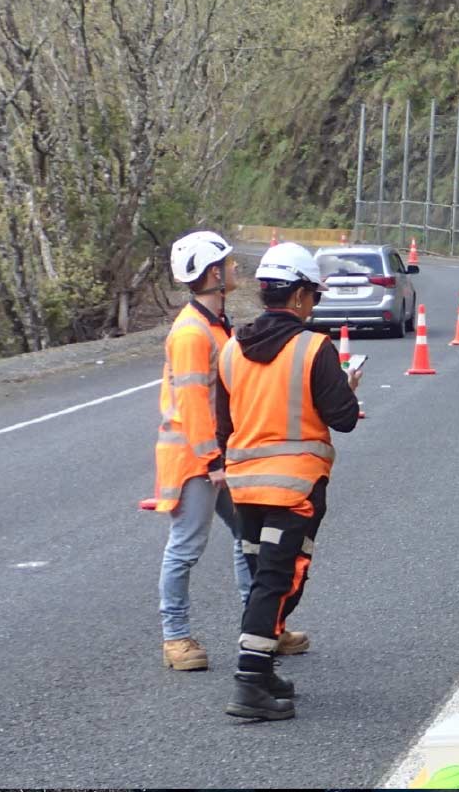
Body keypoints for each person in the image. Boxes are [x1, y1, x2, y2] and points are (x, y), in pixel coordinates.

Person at [216, 242, 362, 719]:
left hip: (244, 489)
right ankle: (250, 684)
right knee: (280, 581)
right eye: (314, 296)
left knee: (265, 579)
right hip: (293, 489)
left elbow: (224, 426)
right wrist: (346, 387)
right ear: (300, 296)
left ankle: (261, 670)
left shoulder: (232, 350)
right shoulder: (313, 348)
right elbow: (342, 419)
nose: (314, 305)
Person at [155, 230, 253, 671]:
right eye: (230, 264)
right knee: (186, 547)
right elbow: (193, 401)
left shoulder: (217, 323)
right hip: (197, 459)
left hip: (220, 453)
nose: (236, 269)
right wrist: (212, 459)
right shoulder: (192, 332)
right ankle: (175, 639)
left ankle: (261, 626)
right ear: (214, 274)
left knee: (247, 535)